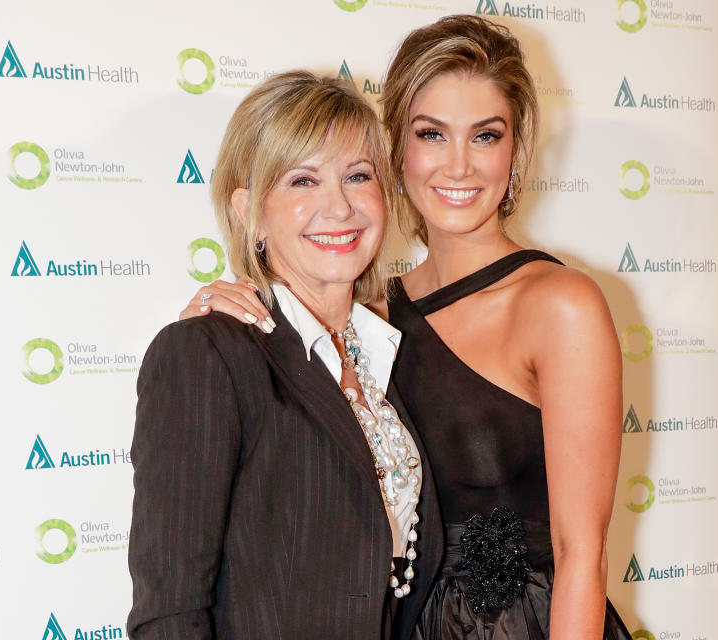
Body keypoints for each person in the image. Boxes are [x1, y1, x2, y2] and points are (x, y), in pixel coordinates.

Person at [178, 16, 631, 640]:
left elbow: (584, 554)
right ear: (395, 147)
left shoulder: (560, 304)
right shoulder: (371, 319)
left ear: (515, 149)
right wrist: (216, 315)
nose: (459, 165)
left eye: (486, 135)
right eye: (431, 134)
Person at [128, 71, 443, 640]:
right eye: (302, 181)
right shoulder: (206, 353)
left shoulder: (387, 355)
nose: (339, 207)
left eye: (357, 175)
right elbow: (169, 614)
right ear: (248, 210)